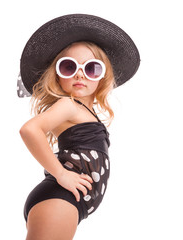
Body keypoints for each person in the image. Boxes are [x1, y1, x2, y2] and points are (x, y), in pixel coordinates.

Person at [17, 14, 140, 240]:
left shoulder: (84, 111)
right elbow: (30, 130)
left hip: (70, 203)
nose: (80, 74)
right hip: (59, 198)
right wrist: (62, 174)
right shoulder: (68, 105)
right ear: (57, 75)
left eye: (91, 68)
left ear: (102, 77)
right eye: (69, 67)